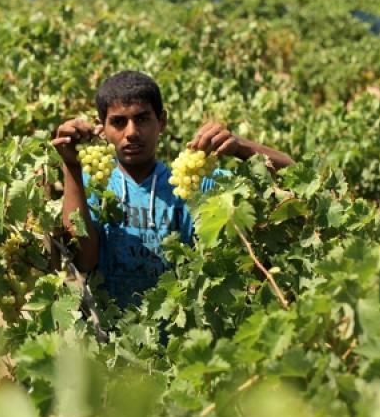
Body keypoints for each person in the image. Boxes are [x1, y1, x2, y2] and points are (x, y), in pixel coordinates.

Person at [52, 71, 294, 307]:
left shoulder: (195, 183)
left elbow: (292, 179)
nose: (132, 132)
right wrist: (71, 166)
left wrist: (241, 146)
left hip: (181, 341)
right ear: (101, 128)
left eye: (142, 119)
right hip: (110, 341)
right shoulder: (91, 186)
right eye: (118, 122)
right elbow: (83, 260)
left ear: (162, 122)